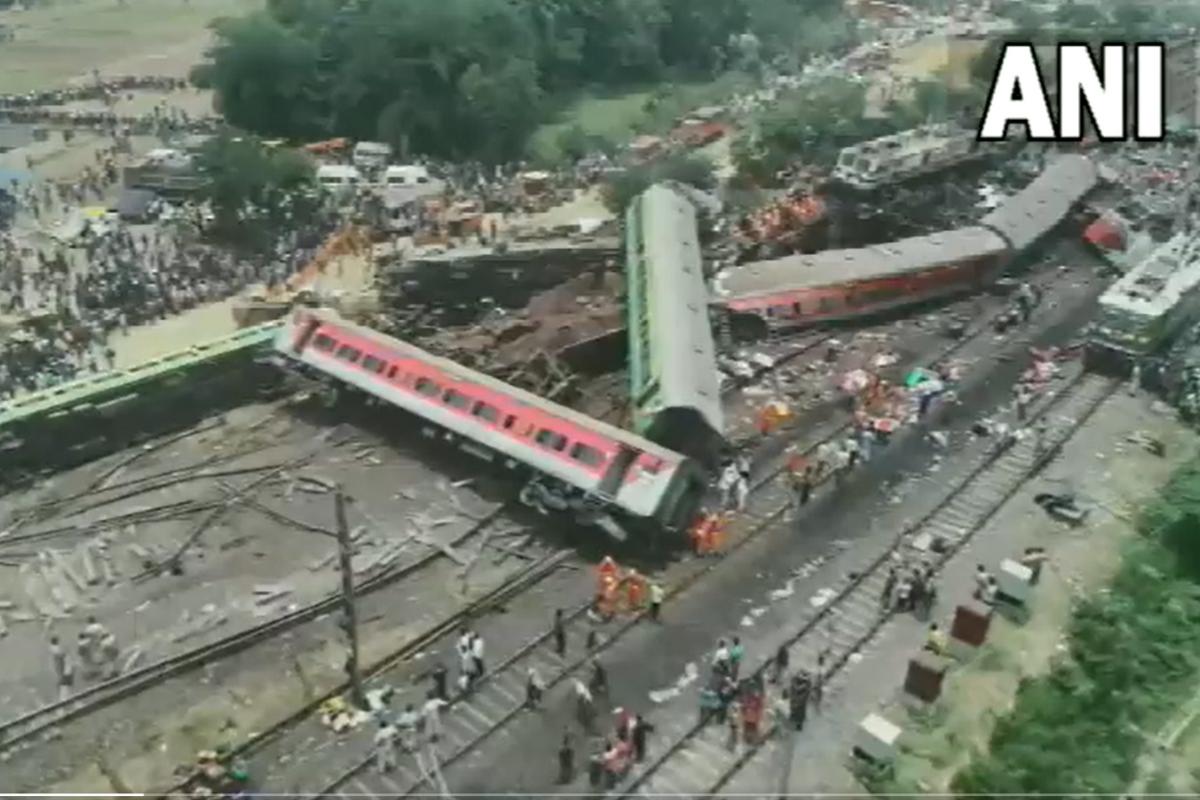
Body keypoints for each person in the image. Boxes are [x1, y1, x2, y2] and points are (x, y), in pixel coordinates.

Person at [50, 635, 73, 700]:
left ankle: (60, 687)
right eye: (58, 640)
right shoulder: (54, 648)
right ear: (56, 641)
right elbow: (59, 655)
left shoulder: (54, 647)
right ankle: (60, 689)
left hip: (58, 664)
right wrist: (65, 653)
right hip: (59, 664)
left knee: (60, 676)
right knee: (60, 676)